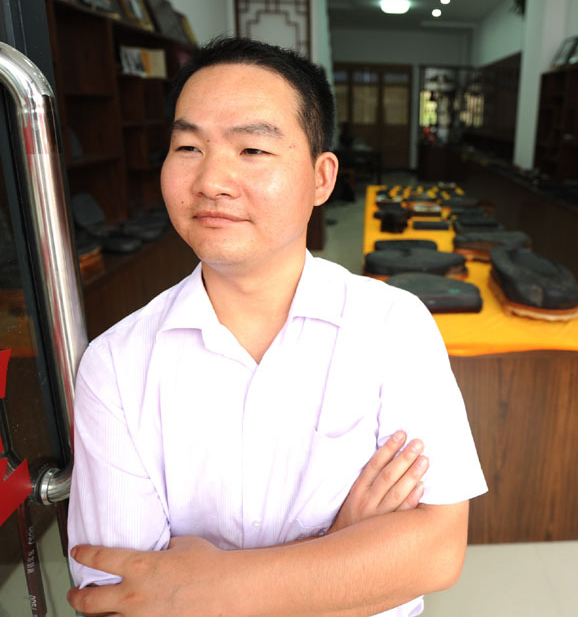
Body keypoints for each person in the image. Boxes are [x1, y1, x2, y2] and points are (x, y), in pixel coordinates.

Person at [66, 36, 487, 616]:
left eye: (252, 150)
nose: (212, 179)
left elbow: (437, 551)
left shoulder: (394, 326)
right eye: (187, 145)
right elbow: (118, 597)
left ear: (321, 178)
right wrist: (340, 548)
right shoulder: (115, 364)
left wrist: (212, 589)